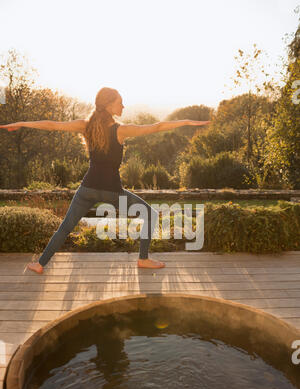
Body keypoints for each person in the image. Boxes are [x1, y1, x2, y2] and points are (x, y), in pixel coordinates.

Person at [0, 87, 211, 274]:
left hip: (87, 189)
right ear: (109, 105)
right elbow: (156, 127)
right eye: (120, 102)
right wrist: (187, 122)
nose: (123, 106)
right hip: (112, 191)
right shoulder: (120, 130)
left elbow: (53, 125)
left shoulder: (86, 125)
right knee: (150, 214)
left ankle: (40, 264)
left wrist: (22, 123)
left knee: (65, 227)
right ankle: (143, 259)